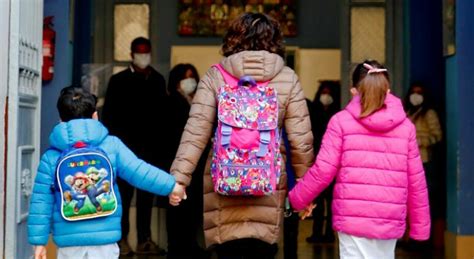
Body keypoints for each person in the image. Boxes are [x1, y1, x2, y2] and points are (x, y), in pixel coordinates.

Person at [169, 13, 314, 258]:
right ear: (274, 40)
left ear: (234, 39)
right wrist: (306, 192)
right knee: (262, 250)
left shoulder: (215, 76)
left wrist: (179, 179)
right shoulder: (287, 78)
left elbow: (196, 132)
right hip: (267, 181)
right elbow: (301, 141)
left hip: (224, 181)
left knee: (228, 251)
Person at [289, 60, 431, 259]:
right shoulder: (406, 127)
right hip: (388, 219)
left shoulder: (340, 122)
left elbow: (323, 170)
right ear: (387, 90)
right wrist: (420, 227)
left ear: (354, 91)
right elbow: (416, 181)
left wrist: (297, 199)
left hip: (351, 218)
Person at [27, 86, 179, 259]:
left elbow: (41, 201)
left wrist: (39, 243)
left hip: (69, 241)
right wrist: (171, 186)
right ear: (95, 116)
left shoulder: (51, 157)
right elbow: (139, 171)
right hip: (105, 240)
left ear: (61, 120)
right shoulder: (111, 145)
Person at [101, 37, 168, 255]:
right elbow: (109, 116)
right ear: (132, 54)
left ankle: (144, 240)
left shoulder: (157, 80)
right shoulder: (118, 80)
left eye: (146, 52)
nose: (143, 56)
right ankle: (121, 241)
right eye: (140, 52)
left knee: (147, 196)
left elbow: (161, 117)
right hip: (123, 149)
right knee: (123, 197)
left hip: (150, 150)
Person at [165, 63, 209, 258]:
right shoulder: (172, 102)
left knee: (191, 209)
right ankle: (177, 248)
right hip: (175, 164)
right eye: (185, 77)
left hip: (196, 166)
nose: (190, 81)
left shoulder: (197, 103)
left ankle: (190, 246)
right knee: (177, 209)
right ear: (176, 81)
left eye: (192, 77)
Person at [404, 82, 442, 246]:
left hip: (425, 162)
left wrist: (418, 141)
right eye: (413, 92)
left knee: (423, 202)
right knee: (410, 201)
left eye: (419, 92)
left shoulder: (429, 113)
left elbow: (437, 136)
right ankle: (411, 237)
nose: (416, 95)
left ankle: (423, 240)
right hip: (408, 163)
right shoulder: (408, 112)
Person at [306, 80, 340, 244]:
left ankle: (329, 233)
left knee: (331, 200)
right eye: (323, 92)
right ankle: (317, 232)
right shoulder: (314, 112)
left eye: (329, 93)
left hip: (334, 162)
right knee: (318, 200)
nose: (326, 96)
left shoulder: (338, 114)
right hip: (317, 161)